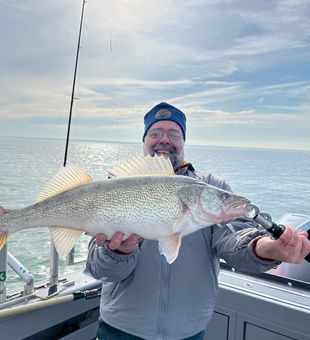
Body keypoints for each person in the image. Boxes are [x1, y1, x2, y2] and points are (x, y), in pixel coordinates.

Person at [86, 102, 310, 340]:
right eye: (155, 133)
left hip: (187, 333)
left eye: (174, 134)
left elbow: (234, 239)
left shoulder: (212, 187)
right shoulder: (117, 187)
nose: (164, 139)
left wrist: (268, 248)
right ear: (144, 140)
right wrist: (119, 253)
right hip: (119, 330)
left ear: (183, 141)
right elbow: (100, 270)